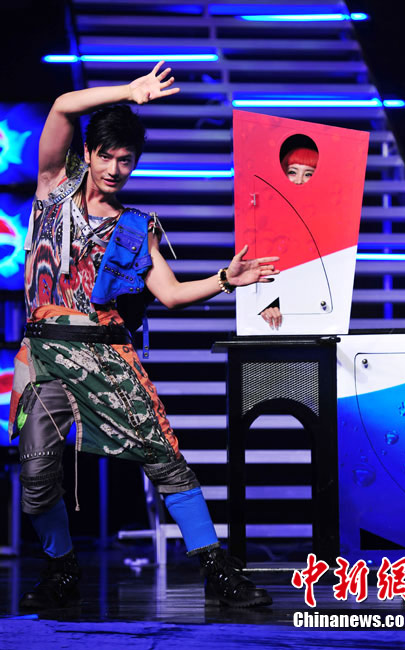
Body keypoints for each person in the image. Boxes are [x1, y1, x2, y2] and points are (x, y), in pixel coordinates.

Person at [9, 62, 279, 610]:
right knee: (36, 475)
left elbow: (171, 294)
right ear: (87, 154)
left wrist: (226, 280)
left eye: (126, 159)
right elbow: (62, 106)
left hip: (107, 356)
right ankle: (61, 568)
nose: (115, 168)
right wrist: (130, 92)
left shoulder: (136, 226)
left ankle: (216, 570)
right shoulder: (52, 190)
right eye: (106, 156)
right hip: (43, 357)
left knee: (165, 458)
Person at [260, 146, 318, 330]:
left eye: (308, 174)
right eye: (292, 172)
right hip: (273, 316)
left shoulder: (327, 221)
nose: (299, 180)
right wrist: (267, 304)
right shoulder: (264, 218)